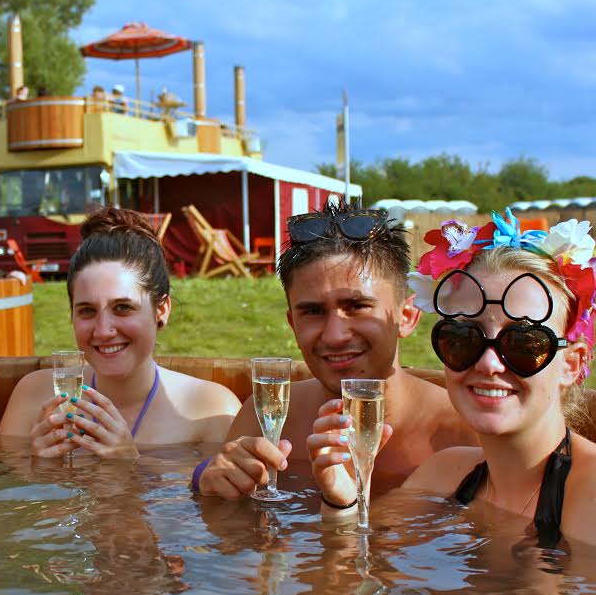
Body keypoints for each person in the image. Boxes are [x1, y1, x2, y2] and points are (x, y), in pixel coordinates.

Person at [401, 210, 596, 548]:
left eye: (524, 343)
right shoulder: (441, 476)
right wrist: (344, 501)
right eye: (462, 338)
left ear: (571, 365)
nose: (488, 363)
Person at [194, 196, 473, 503]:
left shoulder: (464, 430)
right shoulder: (268, 421)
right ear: (293, 324)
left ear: (406, 317)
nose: (335, 336)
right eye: (313, 312)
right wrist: (211, 489)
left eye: (357, 306)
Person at [0, 206, 242, 456]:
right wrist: (36, 470)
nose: (103, 331)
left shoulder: (210, 410)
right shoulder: (34, 396)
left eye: (123, 307)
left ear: (161, 310)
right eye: (87, 310)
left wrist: (129, 469)